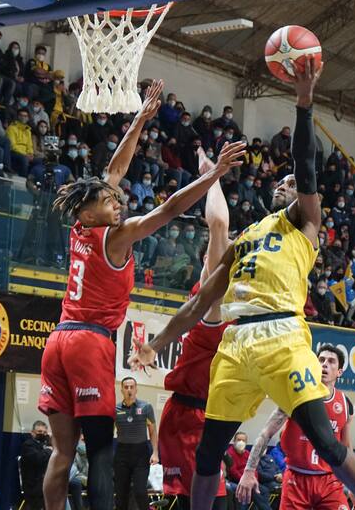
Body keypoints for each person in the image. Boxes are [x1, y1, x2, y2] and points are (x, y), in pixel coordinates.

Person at [130, 59, 355, 510]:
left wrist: (304, 103)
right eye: (282, 181)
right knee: (207, 455)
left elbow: (305, 164)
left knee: (326, 442)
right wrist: (155, 343)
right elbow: (200, 303)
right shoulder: (247, 237)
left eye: (294, 183)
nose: (288, 183)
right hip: (236, 343)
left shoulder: (304, 225)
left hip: (282, 335)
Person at [40, 79, 246, 510]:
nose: (117, 202)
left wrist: (139, 121)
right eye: (109, 202)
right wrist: (213, 175)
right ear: (89, 211)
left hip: (57, 340)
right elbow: (170, 208)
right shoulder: (115, 236)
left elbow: (114, 171)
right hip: (88, 341)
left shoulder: (80, 227)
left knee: (62, 451)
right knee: (100, 450)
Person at [157, 149, 231, 510]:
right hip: (188, 417)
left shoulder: (233, 306)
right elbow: (218, 226)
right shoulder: (212, 298)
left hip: (207, 415)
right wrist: (212, 176)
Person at [236, 345, 354, 510]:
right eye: (321, 360)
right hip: (296, 479)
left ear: (339, 372)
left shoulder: (345, 404)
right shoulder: (295, 396)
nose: (324, 364)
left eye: (331, 361)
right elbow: (266, 433)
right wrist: (249, 471)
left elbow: (347, 448)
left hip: (329, 481)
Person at [114, 378, 158, 510]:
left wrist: (155, 453)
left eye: (132, 387)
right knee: (121, 494)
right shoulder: (115, 409)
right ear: (121, 390)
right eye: (126, 387)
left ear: (136, 389)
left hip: (141, 454)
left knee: (140, 491)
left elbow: (152, 431)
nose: (129, 390)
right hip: (122, 454)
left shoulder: (146, 407)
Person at [19, 421, 53, 510]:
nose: (42, 434)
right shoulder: (28, 445)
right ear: (32, 433)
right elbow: (38, 459)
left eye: (44, 432)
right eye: (39, 432)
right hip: (33, 483)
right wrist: (49, 450)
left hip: (45, 480)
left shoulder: (44, 444)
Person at [6, 108, 34, 176]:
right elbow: (12, 145)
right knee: (24, 159)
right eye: (21, 115)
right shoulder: (12, 128)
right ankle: (23, 179)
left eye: (25, 116)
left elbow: (29, 145)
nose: (23, 117)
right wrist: (25, 154)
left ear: (28, 118)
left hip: (25, 154)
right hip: (14, 152)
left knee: (39, 161)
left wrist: (30, 153)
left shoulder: (28, 130)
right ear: (18, 116)